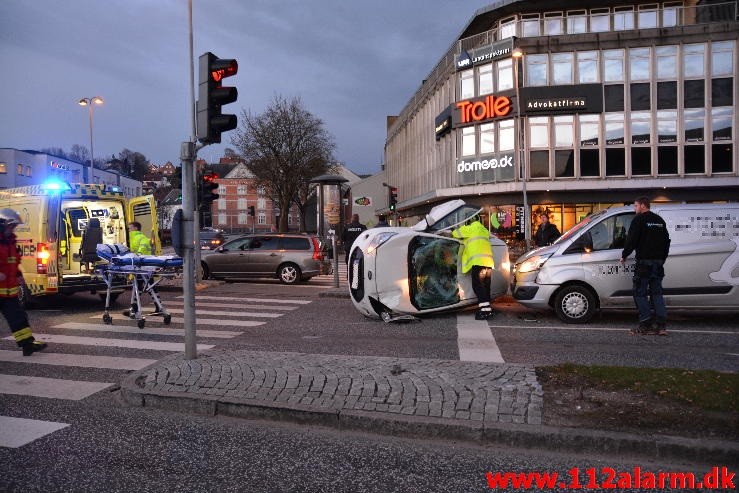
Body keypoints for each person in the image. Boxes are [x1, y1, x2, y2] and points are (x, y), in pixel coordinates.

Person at [620, 196, 671, 336]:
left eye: (635, 205)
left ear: (643, 205)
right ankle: (661, 326)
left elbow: (632, 239)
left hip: (644, 263)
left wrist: (624, 254)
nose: (634, 208)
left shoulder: (639, 220)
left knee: (640, 293)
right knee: (657, 294)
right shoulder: (659, 220)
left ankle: (645, 324)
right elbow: (667, 242)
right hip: (658, 263)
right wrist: (662, 259)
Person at [0, 208, 47, 356]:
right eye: (10, 226)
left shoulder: (11, 242)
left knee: (18, 318)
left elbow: (13, 262)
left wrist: (18, 274)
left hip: (9, 292)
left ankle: (27, 344)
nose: (12, 229)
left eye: (13, 227)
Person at [453, 214, 495, 320]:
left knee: (478, 287)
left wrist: (455, 228)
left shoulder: (470, 229)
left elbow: (455, 233)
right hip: (489, 263)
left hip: (478, 262)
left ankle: (485, 311)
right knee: (486, 287)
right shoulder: (485, 230)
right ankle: (487, 309)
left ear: (468, 221)